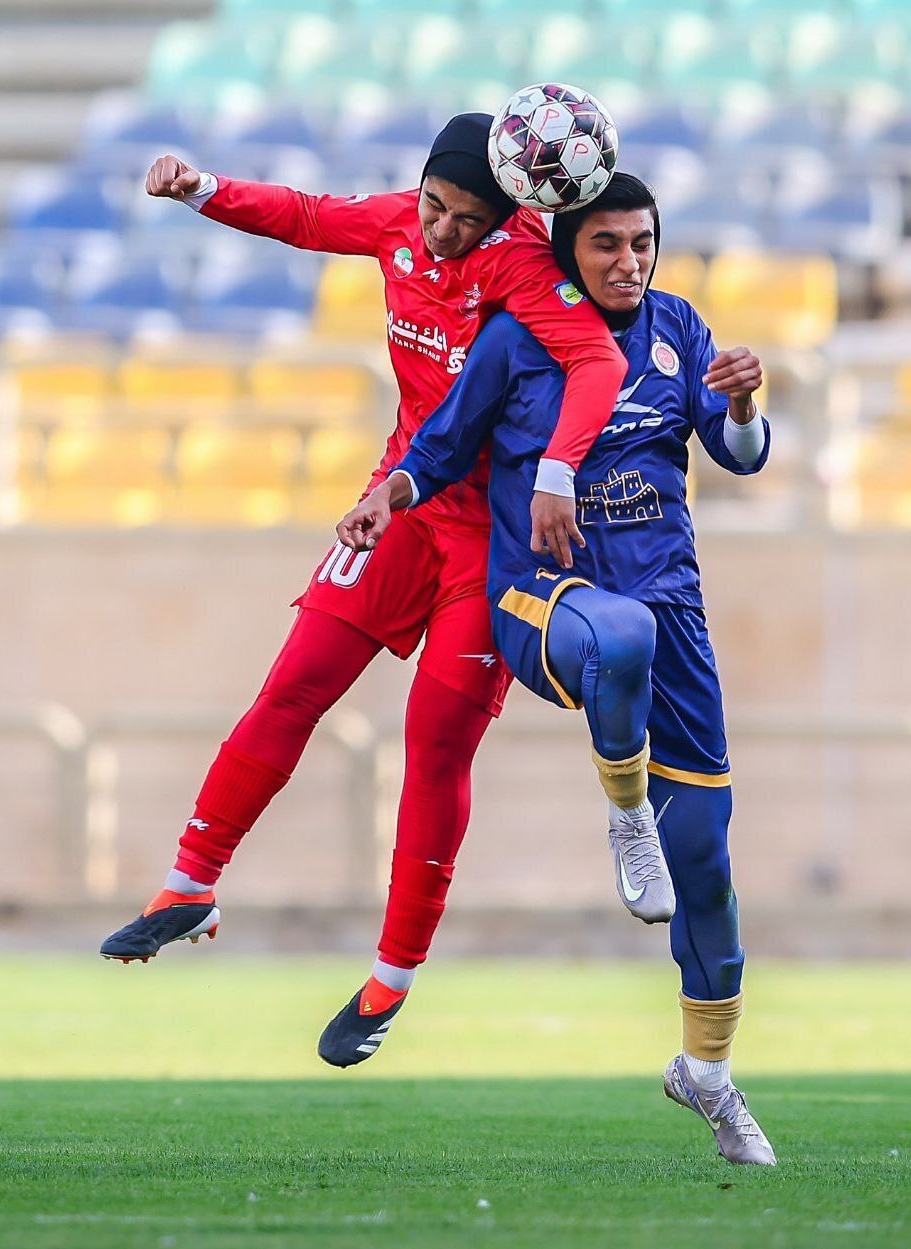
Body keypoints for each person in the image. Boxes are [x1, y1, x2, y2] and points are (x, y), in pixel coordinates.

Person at [99, 114, 628, 1068]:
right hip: (399, 506)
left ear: (503, 218)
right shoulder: (394, 223)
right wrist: (202, 189)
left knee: (434, 745)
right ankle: (189, 883)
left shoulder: (520, 269)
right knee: (293, 684)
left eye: (467, 219)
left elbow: (598, 360)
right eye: (434, 207)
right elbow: (305, 216)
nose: (443, 230)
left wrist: (556, 470)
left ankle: (390, 979)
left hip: (493, 543)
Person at [338, 173, 776, 1165]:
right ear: (567, 251)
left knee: (706, 863)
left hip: (673, 616)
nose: (629, 261)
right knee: (616, 635)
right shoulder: (517, 338)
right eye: (606, 244)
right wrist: (383, 500)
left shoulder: (677, 328)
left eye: (642, 242)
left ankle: (708, 1073)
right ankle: (625, 813)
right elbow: (439, 448)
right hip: (543, 601)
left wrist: (743, 402)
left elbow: (739, 455)